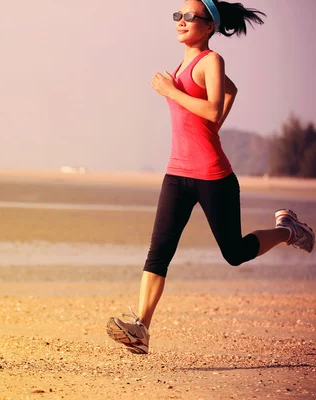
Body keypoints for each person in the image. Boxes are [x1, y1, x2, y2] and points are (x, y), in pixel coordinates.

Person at [106, 0, 315, 355]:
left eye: (191, 17)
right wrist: (209, 123)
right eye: (178, 15)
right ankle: (141, 329)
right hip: (176, 172)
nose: (182, 21)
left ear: (209, 27)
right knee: (159, 252)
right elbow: (227, 97)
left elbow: (215, 105)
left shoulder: (211, 61)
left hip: (212, 174)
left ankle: (289, 231)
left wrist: (173, 93)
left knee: (233, 253)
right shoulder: (185, 62)